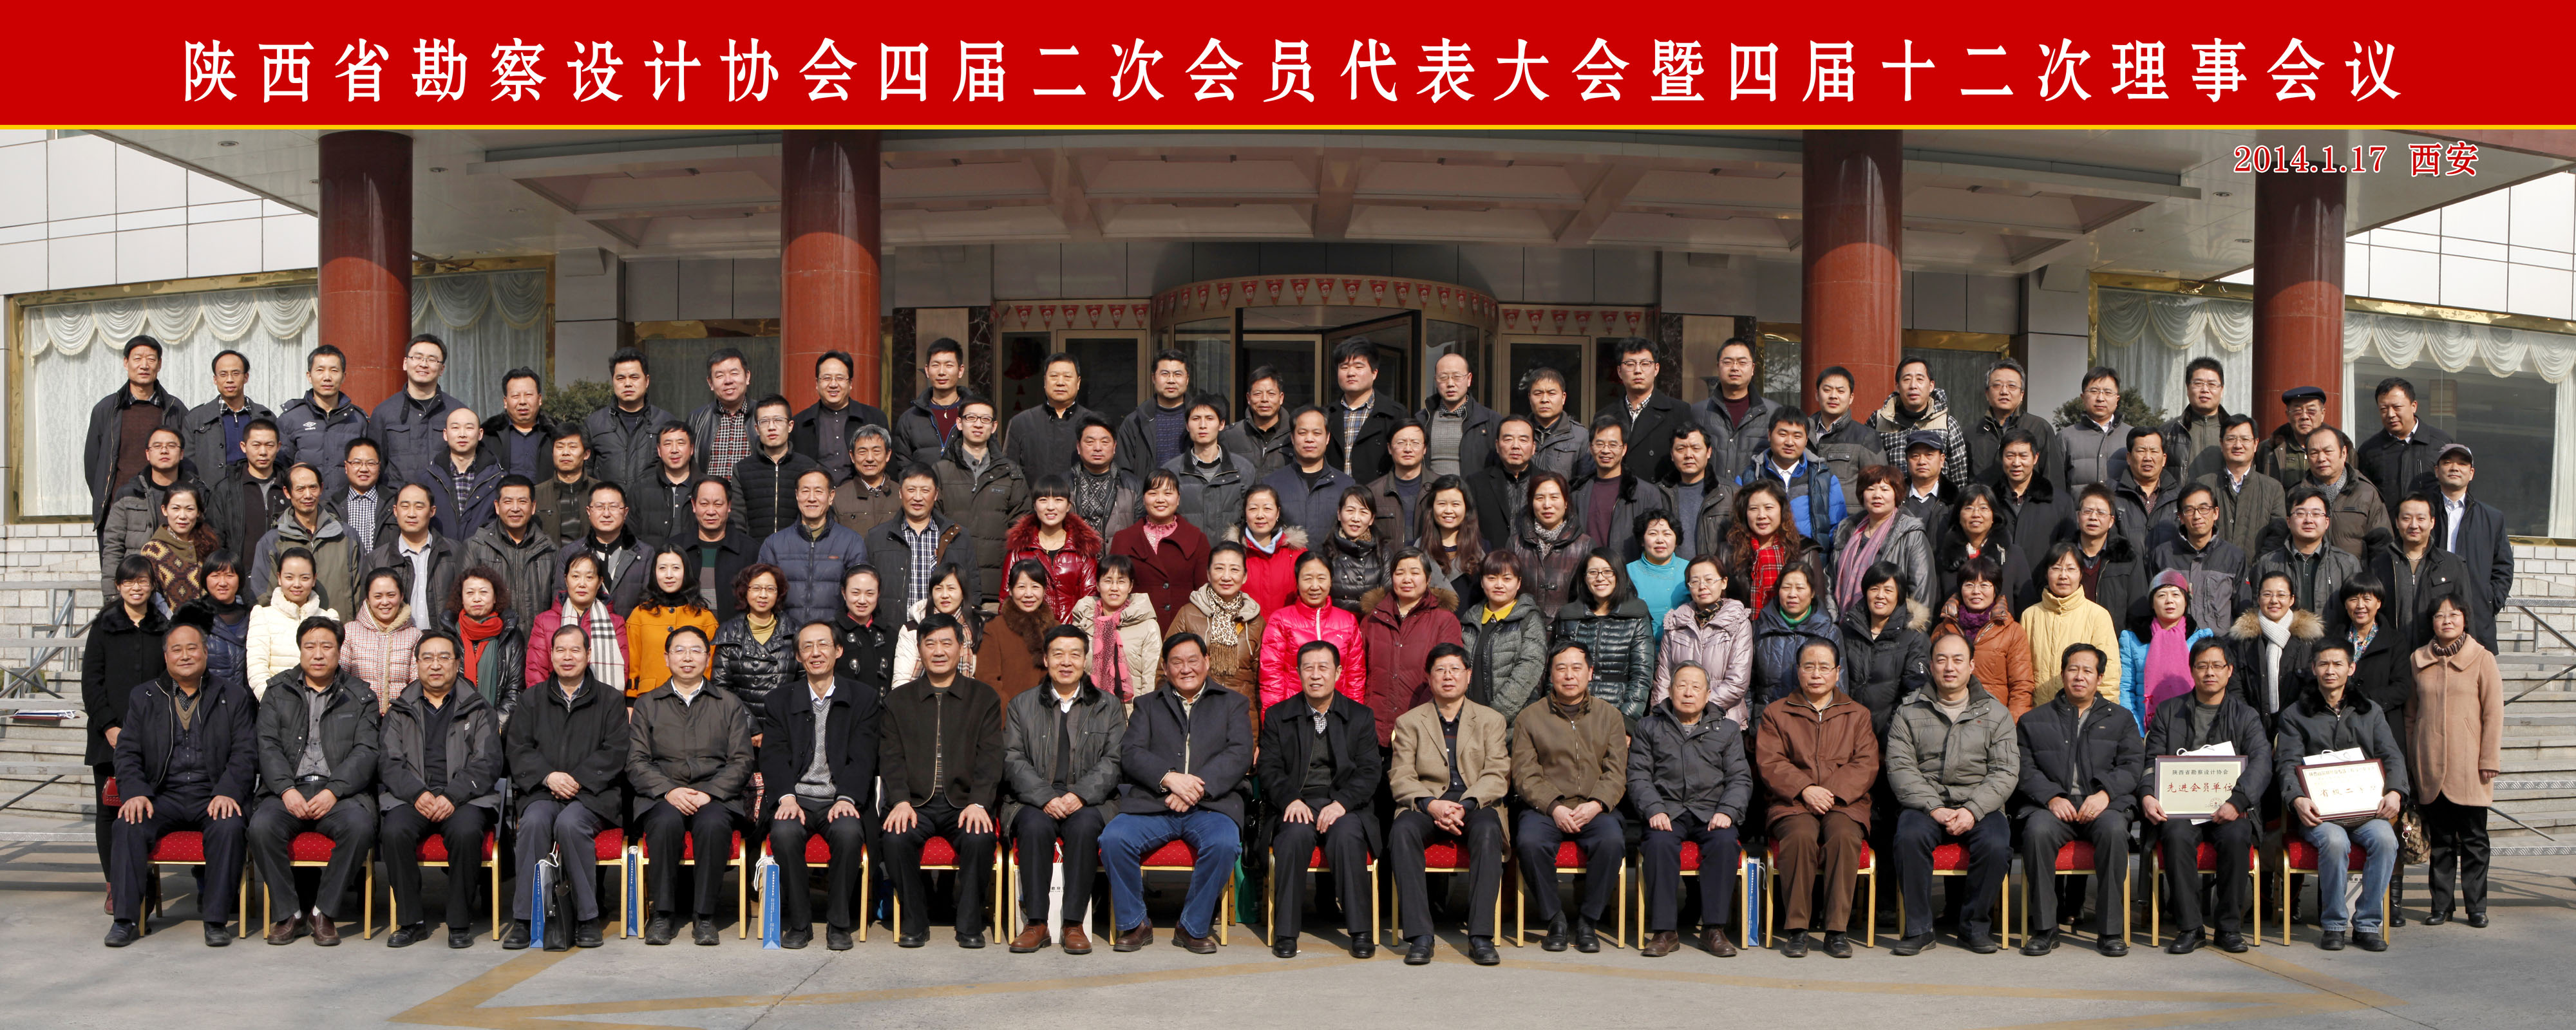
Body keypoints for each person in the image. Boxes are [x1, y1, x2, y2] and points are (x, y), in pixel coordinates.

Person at [1099, 633, 1253, 953]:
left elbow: (1239, 754)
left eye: (1193, 660)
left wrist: (1194, 788)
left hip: (1212, 806)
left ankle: (1192, 926)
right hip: (1155, 804)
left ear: (1207, 662)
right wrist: (1169, 779)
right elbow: (1131, 752)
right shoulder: (1147, 705)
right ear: (1166, 668)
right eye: (1177, 663)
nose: (1186, 669)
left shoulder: (1233, 703)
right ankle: (1135, 923)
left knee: (1224, 843)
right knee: (1114, 839)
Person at [102, 624, 254, 949]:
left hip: (211, 794)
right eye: (177, 649)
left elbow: (245, 752)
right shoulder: (144, 696)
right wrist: (135, 792)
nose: (185, 656)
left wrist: (227, 790)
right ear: (166, 656)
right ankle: (125, 919)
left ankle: (215, 920)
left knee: (229, 826)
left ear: (206, 652)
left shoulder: (233, 695)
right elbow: (127, 753)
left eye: (192, 648)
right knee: (127, 825)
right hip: (161, 795)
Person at [247, 615, 380, 946]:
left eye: (326, 647)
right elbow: (267, 746)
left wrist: (335, 790)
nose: (318, 654)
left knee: (360, 826)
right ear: (300, 650)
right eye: (310, 646)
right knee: (261, 827)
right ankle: (289, 913)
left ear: (339, 651)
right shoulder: (277, 691)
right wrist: (286, 789)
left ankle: (323, 912)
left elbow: (366, 751)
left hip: (340, 794)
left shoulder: (361, 694)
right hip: (287, 790)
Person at [1884, 632, 2019, 955]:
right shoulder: (1909, 711)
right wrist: (1933, 808)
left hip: (1980, 805)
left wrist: (1973, 810)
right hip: (1926, 804)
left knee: (1997, 844)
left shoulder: (1996, 713)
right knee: (1909, 838)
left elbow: (2005, 771)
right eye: (1942, 660)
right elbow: (1901, 769)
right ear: (1931, 666)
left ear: (1971, 665)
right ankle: (1919, 929)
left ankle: (1974, 926)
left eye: (1958, 660)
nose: (1949, 667)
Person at [878, 613, 1006, 948]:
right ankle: (915, 921)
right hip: (915, 803)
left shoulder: (983, 698)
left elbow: (991, 757)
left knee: (980, 838)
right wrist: (900, 800)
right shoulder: (898, 700)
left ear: (961, 648)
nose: (938, 651)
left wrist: (979, 802)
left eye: (947, 643)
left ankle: (970, 923)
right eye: (930, 643)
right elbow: (890, 758)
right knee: (895, 838)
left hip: (963, 803)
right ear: (920, 649)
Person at [999, 625, 1128, 955]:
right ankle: (1036, 923)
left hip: (1089, 799)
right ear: (1046, 659)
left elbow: (1114, 760)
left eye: (1074, 654)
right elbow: (1012, 758)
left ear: (1086, 660)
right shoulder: (1022, 705)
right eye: (1058, 654)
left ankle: (1073, 923)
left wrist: (1080, 795)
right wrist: (1045, 797)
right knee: (1033, 826)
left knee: (1084, 827)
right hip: (1033, 798)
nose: (1066, 662)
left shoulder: (1109, 706)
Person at [1253, 639, 1385, 959]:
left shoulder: (1360, 716)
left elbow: (1370, 771)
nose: (1316, 675)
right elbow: (1268, 767)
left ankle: (1361, 931)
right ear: (1298, 673)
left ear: (1338, 673)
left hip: (1344, 805)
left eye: (1323, 668)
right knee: (1293, 836)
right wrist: (1289, 800)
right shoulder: (1279, 716)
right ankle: (1286, 932)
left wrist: (1342, 803)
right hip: (1297, 802)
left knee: (1348, 836)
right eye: (1308, 668)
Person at [503, 624, 631, 950]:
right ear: (551, 655)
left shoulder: (610, 700)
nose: (567, 657)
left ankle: (587, 918)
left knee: (571, 824)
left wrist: (578, 780)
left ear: (588, 655)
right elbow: (518, 748)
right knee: (534, 822)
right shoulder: (531, 699)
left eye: (575, 650)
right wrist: (549, 777)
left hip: (592, 795)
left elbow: (616, 750)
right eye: (560, 650)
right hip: (543, 791)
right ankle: (525, 918)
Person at [627, 624, 755, 948]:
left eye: (696, 651)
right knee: (665, 823)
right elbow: (637, 761)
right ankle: (663, 914)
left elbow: (741, 760)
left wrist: (709, 792)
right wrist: (669, 791)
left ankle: (705, 916)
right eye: (680, 651)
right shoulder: (647, 703)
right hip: (663, 795)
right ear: (666, 658)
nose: (688, 658)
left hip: (714, 795)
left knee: (713, 825)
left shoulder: (728, 703)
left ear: (708, 658)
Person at [2278, 641, 2410, 951]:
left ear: (2351, 668)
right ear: (2313, 668)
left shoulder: (2370, 711)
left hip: (2365, 811)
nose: (2331, 670)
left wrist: (2395, 792)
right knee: (2335, 841)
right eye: (2324, 664)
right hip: (2320, 814)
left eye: (2338, 664)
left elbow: (2392, 756)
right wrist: (2297, 799)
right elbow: (2287, 763)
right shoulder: (2295, 714)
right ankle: (2334, 924)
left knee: (2386, 839)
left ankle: (2367, 924)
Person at [1378, 644, 1506, 966]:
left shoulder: (1491, 720)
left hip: (1474, 805)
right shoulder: (1409, 722)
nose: (1448, 676)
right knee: (1402, 831)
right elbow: (1401, 774)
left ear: (1468, 675)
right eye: (1440, 670)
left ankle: (1481, 936)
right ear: (1429, 677)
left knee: (1489, 831)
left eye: (1455, 669)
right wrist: (1431, 804)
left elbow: (1497, 773)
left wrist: (1466, 805)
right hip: (1427, 804)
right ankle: (1420, 936)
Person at [2013, 642, 2143, 957]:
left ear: (2100, 678)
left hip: (2103, 805)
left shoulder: (2121, 719)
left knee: (2114, 831)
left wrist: (2105, 794)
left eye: (2088, 671)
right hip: (2053, 806)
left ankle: (2110, 931)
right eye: (2073, 669)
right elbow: (2023, 767)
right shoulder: (2033, 720)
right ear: (2062, 674)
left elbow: (2132, 766)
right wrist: (2051, 797)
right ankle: (2045, 928)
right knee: (2037, 831)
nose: (2080, 676)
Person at [2141, 639, 2269, 954]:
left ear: (2229, 671)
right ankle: (2190, 927)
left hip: (2230, 808)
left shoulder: (2246, 715)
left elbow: (2261, 762)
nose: (2209, 673)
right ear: (2192, 670)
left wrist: (2238, 802)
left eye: (2217, 666)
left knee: (2238, 836)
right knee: (2174, 834)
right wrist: (2147, 794)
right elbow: (2151, 760)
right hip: (2181, 809)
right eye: (2202, 666)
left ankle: (2228, 928)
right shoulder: (2170, 711)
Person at [758, 621, 881, 950]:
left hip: (839, 798)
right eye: (808, 647)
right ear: (799, 656)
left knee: (849, 832)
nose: (816, 653)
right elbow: (773, 756)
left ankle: (839, 924)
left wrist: (847, 798)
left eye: (824, 645)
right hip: (796, 798)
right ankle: (800, 924)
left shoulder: (863, 699)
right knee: (784, 834)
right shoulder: (780, 700)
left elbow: (864, 756)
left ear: (838, 651)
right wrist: (786, 798)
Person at [376, 632, 503, 949]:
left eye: (444, 658)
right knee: (394, 831)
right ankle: (411, 921)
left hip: (464, 797)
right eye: (428, 658)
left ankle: (459, 922)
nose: (436, 665)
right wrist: (418, 794)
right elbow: (389, 763)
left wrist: (452, 796)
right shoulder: (400, 709)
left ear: (457, 664)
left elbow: (488, 762)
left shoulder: (478, 707)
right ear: (417, 664)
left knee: (466, 832)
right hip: (413, 796)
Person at [1755, 639, 1879, 959]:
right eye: (1809, 666)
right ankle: (1798, 929)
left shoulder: (1857, 714)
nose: (1816, 674)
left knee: (1843, 836)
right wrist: (1805, 789)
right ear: (1798, 671)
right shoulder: (1776, 713)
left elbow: (1866, 763)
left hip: (1845, 802)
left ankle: (1837, 930)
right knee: (1799, 836)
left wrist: (1831, 793)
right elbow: (1771, 761)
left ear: (1837, 672)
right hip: (1793, 801)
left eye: (1824, 667)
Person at [1511, 642, 1630, 953]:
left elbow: (1616, 772)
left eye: (1577, 668)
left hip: (1595, 807)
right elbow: (1525, 774)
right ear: (1550, 674)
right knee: (1529, 842)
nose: (1569, 675)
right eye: (1561, 668)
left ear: (1590, 673)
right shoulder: (1530, 718)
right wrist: (1554, 807)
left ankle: (1588, 921)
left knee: (1612, 841)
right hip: (1546, 809)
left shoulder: (1610, 716)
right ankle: (1555, 919)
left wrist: (1596, 804)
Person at [1630, 660, 1752, 959]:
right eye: (1682, 686)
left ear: (1708, 694)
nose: (1688, 693)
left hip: (1711, 811)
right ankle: (1664, 931)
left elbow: (1740, 778)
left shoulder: (1727, 729)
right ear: (1670, 690)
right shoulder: (1649, 726)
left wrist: (1728, 811)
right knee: (1658, 844)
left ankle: (1714, 929)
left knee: (1725, 842)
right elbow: (1638, 775)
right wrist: (1653, 809)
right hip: (1667, 810)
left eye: (1696, 687)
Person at [2411, 594, 2503, 928]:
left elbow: (2493, 712)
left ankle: (2476, 907)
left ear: (2465, 619)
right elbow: (2410, 716)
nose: (2447, 620)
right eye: (2439, 615)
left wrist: (2489, 758)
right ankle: (2441, 906)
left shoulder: (2482, 658)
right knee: (2441, 840)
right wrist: (2414, 758)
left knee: (2474, 839)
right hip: (2430, 762)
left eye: (2454, 614)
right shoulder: (2418, 660)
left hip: (2470, 764)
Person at [82, 556, 171, 894]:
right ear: (119, 586)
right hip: (109, 737)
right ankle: (114, 885)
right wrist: (108, 727)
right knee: (109, 810)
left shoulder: (162, 627)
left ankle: (144, 880)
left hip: (153, 738)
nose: (136, 588)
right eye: (129, 582)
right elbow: (91, 682)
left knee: (146, 807)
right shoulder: (103, 627)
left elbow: (168, 683)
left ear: (152, 585)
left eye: (143, 581)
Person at [1361, 548, 1466, 744]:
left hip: (1424, 728)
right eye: (1400, 573)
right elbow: (1360, 673)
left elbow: (1446, 675)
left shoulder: (1444, 621)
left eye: (1415, 573)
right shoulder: (1373, 620)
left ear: (1428, 579)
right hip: (1374, 729)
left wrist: (1417, 719)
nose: (1407, 579)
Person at [932, 395, 1028, 600]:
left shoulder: (1010, 472)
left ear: (994, 427)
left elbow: (1021, 527)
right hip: (950, 586)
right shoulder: (941, 471)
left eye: (985, 419)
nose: (978, 424)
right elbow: (932, 524)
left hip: (996, 585)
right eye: (971, 418)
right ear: (959, 423)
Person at [84, 335, 188, 524]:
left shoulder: (175, 409)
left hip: (165, 509)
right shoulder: (106, 409)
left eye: (151, 359)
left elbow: (187, 458)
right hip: (118, 509)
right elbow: (93, 465)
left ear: (159, 364)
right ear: (126, 363)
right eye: (138, 359)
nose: (144, 366)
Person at [759, 467, 872, 629]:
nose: (811, 498)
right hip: (785, 636)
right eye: (805, 491)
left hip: (834, 635)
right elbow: (762, 593)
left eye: (819, 491)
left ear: (831, 496)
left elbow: (859, 593)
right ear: (797, 495)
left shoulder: (851, 541)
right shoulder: (774, 543)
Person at [1555, 548, 1656, 726]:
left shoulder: (1637, 615)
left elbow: (1641, 676)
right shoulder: (1569, 615)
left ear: (1619, 575)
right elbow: (1556, 670)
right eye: (1593, 572)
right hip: (1571, 713)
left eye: (1608, 572)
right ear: (1584, 578)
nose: (1600, 578)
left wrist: (1626, 722)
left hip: (1617, 713)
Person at [2372, 494, 2474, 662]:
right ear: (2397, 522)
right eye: (2406, 518)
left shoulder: (2452, 565)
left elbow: (2467, 616)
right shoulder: (2380, 564)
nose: (2414, 525)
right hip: (2392, 658)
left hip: (2440, 658)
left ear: (2432, 522)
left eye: (2421, 519)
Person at [1258, 552, 1367, 710]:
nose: (1315, 586)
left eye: (1321, 578)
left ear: (1331, 581)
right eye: (1308, 579)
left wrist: (1354, 716)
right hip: (1294, 713)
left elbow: (1355, 676)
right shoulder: (1281, 620)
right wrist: (1274, 718)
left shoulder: (1348, 622)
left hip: (1337, 712)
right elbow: (1271, 676)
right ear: (1297, 582)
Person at [2428, 444, 2511, 651]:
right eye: (2448, 462)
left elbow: (2503, 566)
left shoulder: (2492, 518)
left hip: (2476, 613)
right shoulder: (2422, 513)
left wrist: (2490, 600)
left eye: (2462, 464)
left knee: (2474, 669)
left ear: (2471, 473)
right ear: (2437, 470)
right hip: (2428, 610)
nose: (2455, 468)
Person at [865, 464, 977, 616]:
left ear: (936, 494)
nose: (918, 498)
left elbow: (973, 588)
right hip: (893, 627)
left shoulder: (958, 536)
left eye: (925, 491)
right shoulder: (877, 537)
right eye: (911, 490)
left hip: (944, 626)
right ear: (900, 493)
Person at [100, 426, 200, 592]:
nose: (164, 451)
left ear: (182, 453)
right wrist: (111, 592)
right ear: (148, 453)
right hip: (139, 588)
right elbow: (113, 547)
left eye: (171, 446)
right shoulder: (129, 494)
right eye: (158, 446)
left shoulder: (197, 493)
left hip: (184, 587)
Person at [1934, 556, 2037, 716]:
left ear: (1995, 589)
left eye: (1984, 585)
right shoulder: (1943, 630)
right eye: (1969, 585)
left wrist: (2012, 725)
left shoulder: (2012, 632)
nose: (1976, 592)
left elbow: (2022, 686)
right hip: (1949, 717)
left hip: (1994, 720)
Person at [2025, 543, 2122, 711]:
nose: (2063, 576)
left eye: (2071, 569)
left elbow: (2109, 675)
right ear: (2047, 573)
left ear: (2081, 574)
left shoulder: (2098, 615)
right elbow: (2022, 674)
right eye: (2056, 569)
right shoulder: (2030, 615)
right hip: (2039, 714)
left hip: (2084, 715)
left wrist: (2103, 716)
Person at [247, 464, 357, 610]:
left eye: (313, 487)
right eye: (300, 489)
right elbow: (263, 599)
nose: (308, 495)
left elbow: (360, 592)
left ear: (321, 488)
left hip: (338, 623)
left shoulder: (346, 536)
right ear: (287, 492)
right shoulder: (272, 541)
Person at [1656, 556, 1753, 721]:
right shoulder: (1675, 623)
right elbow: (1663, 679)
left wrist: (1697, 708)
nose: (1702, 586)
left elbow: (1737, 682)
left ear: (1724, 582)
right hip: (1678, 720)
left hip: (1724, 719)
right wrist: (1661, 717)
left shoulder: (1738, 621)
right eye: (1695, 581)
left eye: (1709, 580)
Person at [1841, 563, 1931, 738]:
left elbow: (1915, 692)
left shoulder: (1914, 637)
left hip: (1890, 738)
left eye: (1888, 590)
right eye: (1874, 589)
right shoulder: (1848, 630)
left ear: (1899, 595)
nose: (1880, 596)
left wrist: (1889, 735)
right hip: (1847, 734)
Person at [1571, 415, 1676, 562]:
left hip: (1629, 572)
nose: (1606, 450)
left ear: (1624, 449)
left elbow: (1655, 541)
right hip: (1589, 571)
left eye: (1613, 445)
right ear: (1590, 447)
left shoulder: (1647, 493)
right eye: (1600, 444)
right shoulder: (1578, 492)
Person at [1113, 469, 1212, 624]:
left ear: (1178, 499)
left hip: (1182, 629)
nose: (1160, 500)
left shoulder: (1197, 539)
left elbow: (1205, 593)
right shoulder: (1123, 539)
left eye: (1168, 493)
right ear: (1143, 499)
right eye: (1153, 494)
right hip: (1134, 628)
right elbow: (1112, 589)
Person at [1461, 551, 1549, 725]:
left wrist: (1495, 717)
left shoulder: (1529, 619)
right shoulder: (1469, 620)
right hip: (1469, 721)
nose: (1499, 585)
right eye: (1492, 578)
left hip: (1512, 725)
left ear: (1519, 583)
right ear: (1482, 582)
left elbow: (1528, 670)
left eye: (1507, 579)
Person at [1743, 407, 1848, 553]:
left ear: (1806, 440)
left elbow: (1837, 532)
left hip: (1811, 562)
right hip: (1762, 561)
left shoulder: (1824, 479)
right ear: (1769, 435)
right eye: (1783, 434)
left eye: (1797, 436)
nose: (1790, 442)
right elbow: (1740, 527)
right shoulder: (1749, 478)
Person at [2246, 487, 2363, 615]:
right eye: (2300, 514)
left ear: (2327, 522)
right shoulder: (2268, 563)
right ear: (2289, 521)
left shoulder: (2347, 564)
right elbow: (2257, 610)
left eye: (2316, 514)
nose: (2308, 520)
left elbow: (2357, 610)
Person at [1065, 556, 1162, 707]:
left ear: (1130, 586)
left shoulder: (1148, 626)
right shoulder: (1083, 622)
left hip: (1132, 711)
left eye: (1121, 582)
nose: (1114, 588)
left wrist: (1144, 714)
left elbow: (1151, 678)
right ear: (1098, 585)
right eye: (1108, 581)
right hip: (1089, 709)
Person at [1985, 428, 2070, 601]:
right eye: (2010, 456)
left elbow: (2068, 551)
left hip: (2045, 596)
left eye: (2023, 456)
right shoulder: (1988, 502)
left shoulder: (2060, 502)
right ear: (2002, 458)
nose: (2016, 463)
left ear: (2036, 458)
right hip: (1995, 596)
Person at [370, 333, 465, 487]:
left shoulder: (457, 412)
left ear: (442, 369)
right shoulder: (384, 412)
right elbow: (375, 466)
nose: (424, 364)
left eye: (432, 360)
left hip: (445, 499)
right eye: (418, 357)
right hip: (397, 500)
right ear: (405, 363)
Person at [1833, 465, 1933, 610]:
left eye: (1885, 489)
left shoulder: (1911, 533)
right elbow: (1830, 579)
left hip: (1892, 621)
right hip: (1845, 619)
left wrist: (1907, 622)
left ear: (1896, 494)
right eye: (1870, 489)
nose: (1877, 495)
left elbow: (1921, 590)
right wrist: (1832, 616)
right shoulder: (1847, 531)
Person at [527, 552, 630, 692]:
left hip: (601, 702)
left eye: (589, 577)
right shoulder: (544, 621)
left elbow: (622, 671)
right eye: (576, 576)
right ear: (566, 580)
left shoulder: (616, 623)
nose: (582, 584)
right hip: (553, 701)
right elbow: (536, 671)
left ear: (599, 582)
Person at [363, 483, 460, 633]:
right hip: (396, 641)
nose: (412, 514)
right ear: (395, 511)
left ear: (432, 511)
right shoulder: (377, 559)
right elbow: (367, 610)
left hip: (443, 639)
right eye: (405, 507)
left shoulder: (454, 552)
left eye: (419, 507)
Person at [2150, 483, 2248, 632]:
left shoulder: (2234, 557)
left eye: (2204, 509)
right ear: (2181, 517)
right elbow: (2152, 607)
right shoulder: (2162, 556)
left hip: (2220, 643)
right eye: (2189, 510)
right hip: (2176, 642)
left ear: (2216, 513)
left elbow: (2243, 611)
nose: (2197, 516)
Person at [462, 476, 558, 627]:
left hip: (538, 638)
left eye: (522, 502)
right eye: (508, 502)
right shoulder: (477, 546)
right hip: (493, 637)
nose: (515, 508)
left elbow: (557, 605)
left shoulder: (549, 549)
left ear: (533, 507)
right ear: (497, 506)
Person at [1003, 476, 1103, 619]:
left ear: (1068, 506)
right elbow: (1006, 599)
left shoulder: (1083, 548)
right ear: (1034, 505)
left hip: (1073, 630)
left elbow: (1091, 600)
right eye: (1043, 500)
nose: (1050, 507)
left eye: (1058, 500)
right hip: (1028, 629)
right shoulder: (1020, 549)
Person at [731, 395, 828, 542]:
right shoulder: (742, 469)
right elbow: (737, 521)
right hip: (755, 552)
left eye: (778, 420)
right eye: (765, 422)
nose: (771, 427)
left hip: (798, 550)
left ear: (790, 426)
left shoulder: (809, 468)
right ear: (757, 429)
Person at [245, 548, 341, 696]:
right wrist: (272, 702)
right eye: (289, 577)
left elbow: (335, 668)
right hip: (276, 702)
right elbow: (257, 668)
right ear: (279, 578)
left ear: (314, 579)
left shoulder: (329, 618)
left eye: (304, 578)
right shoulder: (263, 615)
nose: (297, 584)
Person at [276, 344, 370, 493]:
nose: (327, 377)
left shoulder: (358, 420)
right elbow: (282, 468)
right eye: (320, 370)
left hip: (346, 503)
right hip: (306, 502)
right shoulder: (291, 418)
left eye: (334, 371)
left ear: (344, 376)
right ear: (309, 376)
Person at [1868, 358, 1971, 494]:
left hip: (1938, 504)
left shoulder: (1947, 424)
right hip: (1891, 502)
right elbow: (1867, 470)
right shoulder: (1878, 421)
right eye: (1907, 379)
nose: (1913, 386)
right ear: (1897, 386)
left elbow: (1959, 477)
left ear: (1931, 385)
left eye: (1920, 379)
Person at [2117, 571, 2212, 717]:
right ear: (2152, 604)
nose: (2169, 601)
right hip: (2146, 723)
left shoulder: (2202, 638)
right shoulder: (2132, 639)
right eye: (2162, 595)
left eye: (2176, 594)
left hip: (2194, 721)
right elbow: (2126, 689)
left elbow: (2210, 685)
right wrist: (2135, 727)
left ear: (2186, 601)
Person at [584, 348, 679, 491]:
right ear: (613, 381)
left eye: (634, 377)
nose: (628, 384)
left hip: (652, 503)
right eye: (621, 378)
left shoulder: (665, 422)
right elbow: (586, 473)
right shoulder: (594, 424)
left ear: (647, 381)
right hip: (608, 503)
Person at [627, 551, 720, 698]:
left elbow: (710, 668)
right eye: (662, 568)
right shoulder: (640, 614)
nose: (669, 575)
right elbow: (633, 665)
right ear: (654, 573)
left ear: (686, 572)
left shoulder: (704, 617)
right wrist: (631, 699)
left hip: (694, 699)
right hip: (649, 699)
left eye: (676, 568)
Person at [710, 563, 798, 716]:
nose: (763, 595)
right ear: (745, 591)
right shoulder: (729, 632)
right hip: (741, 723)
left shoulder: (795, 632)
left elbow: (803, 685)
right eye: (756, 588)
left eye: (770, 589)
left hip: (785, 722)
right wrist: (748, 725)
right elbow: (721, 687)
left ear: (779, 593)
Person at [789, 350, 891, 482]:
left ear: (851, 383)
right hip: (816, 493)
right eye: (826, 378)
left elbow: (890, 467)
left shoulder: (875, 418)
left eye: (840, 378)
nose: (833, 384)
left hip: (862, 493)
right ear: (817, 383)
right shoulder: (800, 423)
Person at [1750, 561, 1841, 709]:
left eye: (1800, 588)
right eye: (1786, 588)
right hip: (1768, 718)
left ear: (1812, 593)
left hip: (1814, 719)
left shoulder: (1829, 632)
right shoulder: (1760, 628)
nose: (1792, 594)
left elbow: (1839, 687)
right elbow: (1749, 686)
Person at [1697, 337, 1786, 487]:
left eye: (1742, 362)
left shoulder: (1774, 413)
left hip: (1755, 497)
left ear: (1753, 368)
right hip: (1710, 497)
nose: (1735, 368)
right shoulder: (1698, 412)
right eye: (1728, 362)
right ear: (1718, 366)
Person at [558, 481, 656, 615]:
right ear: (589, 511)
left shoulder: (645, 554)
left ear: (625, 512)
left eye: (614, 507)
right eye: (599, 507)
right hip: (582, 627)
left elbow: (650, 604)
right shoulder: (570, 553)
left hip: (630, 627)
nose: (606, 514)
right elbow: (560, 602)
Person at [1965, 357, 2065, 489]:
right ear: (1987, 394)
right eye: (1997, 385)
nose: (2004, 392)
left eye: (2012, 386)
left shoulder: (2040, 428)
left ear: (2022, 394)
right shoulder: (1972, 434)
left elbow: (2054, 482)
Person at [1167, 399, 1260, 539]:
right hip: (1186, 551)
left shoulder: (1244, 470)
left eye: (1210, 419)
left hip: (1231, 551)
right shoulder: (1171, 472)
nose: (1203, 425)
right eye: (1196, 419)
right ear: (1187, 425)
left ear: (1221, 424)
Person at [440, 567, 525, 718]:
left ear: (495, 597)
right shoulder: (448, 635)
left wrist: (496, 725)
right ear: (461, 598)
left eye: (484, 592)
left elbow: (515, 689)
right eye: (470, 593)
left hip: (496, 724)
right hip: (454, 723)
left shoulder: (510, 634)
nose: (477, 599)